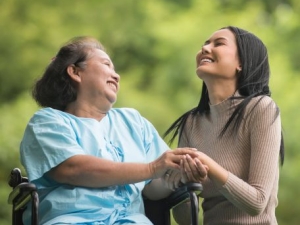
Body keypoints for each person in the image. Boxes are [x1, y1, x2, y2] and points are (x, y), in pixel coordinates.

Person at [20, 36, 204, 225]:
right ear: (75, 72)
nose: (116, 75)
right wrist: (152, 168)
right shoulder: (48, 122)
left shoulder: (133, 122)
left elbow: (152, 190)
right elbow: (72, 168)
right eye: (106, 65)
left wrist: (178, 175)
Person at [164, 26, 284, 225]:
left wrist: (207, 164)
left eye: (218, 43)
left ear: (242, 63)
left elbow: (257, 203)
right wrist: (183, 184)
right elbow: (186, 218)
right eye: (205, 43)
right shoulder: (192, 123)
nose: (205, 48)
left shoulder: (261, 109)